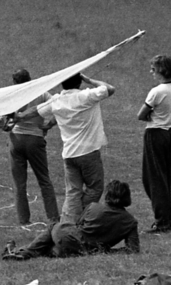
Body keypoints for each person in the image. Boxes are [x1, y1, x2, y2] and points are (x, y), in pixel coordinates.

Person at [38, 72, 116, 224]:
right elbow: (109, 88)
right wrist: (88, 79)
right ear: (79, 82)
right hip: (88, 152)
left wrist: (46, 125)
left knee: (73, 192)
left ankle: (67, 222)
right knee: (95, 188)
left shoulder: (57, 101)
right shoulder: (87, 96)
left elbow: (39, 111)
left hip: (69, 155)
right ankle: (81, 218)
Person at [2, 179, 140, 260]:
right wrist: (105, 250)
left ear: (108, 195)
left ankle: (23, 252)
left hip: (72, 239)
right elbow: (133, 249)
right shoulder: (130, 222)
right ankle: (20, 252)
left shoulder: (93, 207)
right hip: (87, 250)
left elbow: (78, 225)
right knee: (54, 249)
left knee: (53, 227)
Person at [0, 68, 59, 226]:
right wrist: (48, 126)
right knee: (44, 180)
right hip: (35, 139)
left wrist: (3, 125)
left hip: (16, 140)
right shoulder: (42, 93)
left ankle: (23, 221)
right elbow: (58, 107)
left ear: (15, 82)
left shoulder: (13, 95)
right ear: (30, 79)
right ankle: (53, 218)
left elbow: (3, 121)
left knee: (19, 184)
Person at [139, 54, 171, 233]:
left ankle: (162, 220)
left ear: (161, 71)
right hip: (170, 133)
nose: (152, 72)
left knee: (154, 179)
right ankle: (165, 217)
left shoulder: (156, 91)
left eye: (154, 69)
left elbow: (141, 114)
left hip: (155, 133)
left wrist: (151, 115)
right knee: (164, 176)